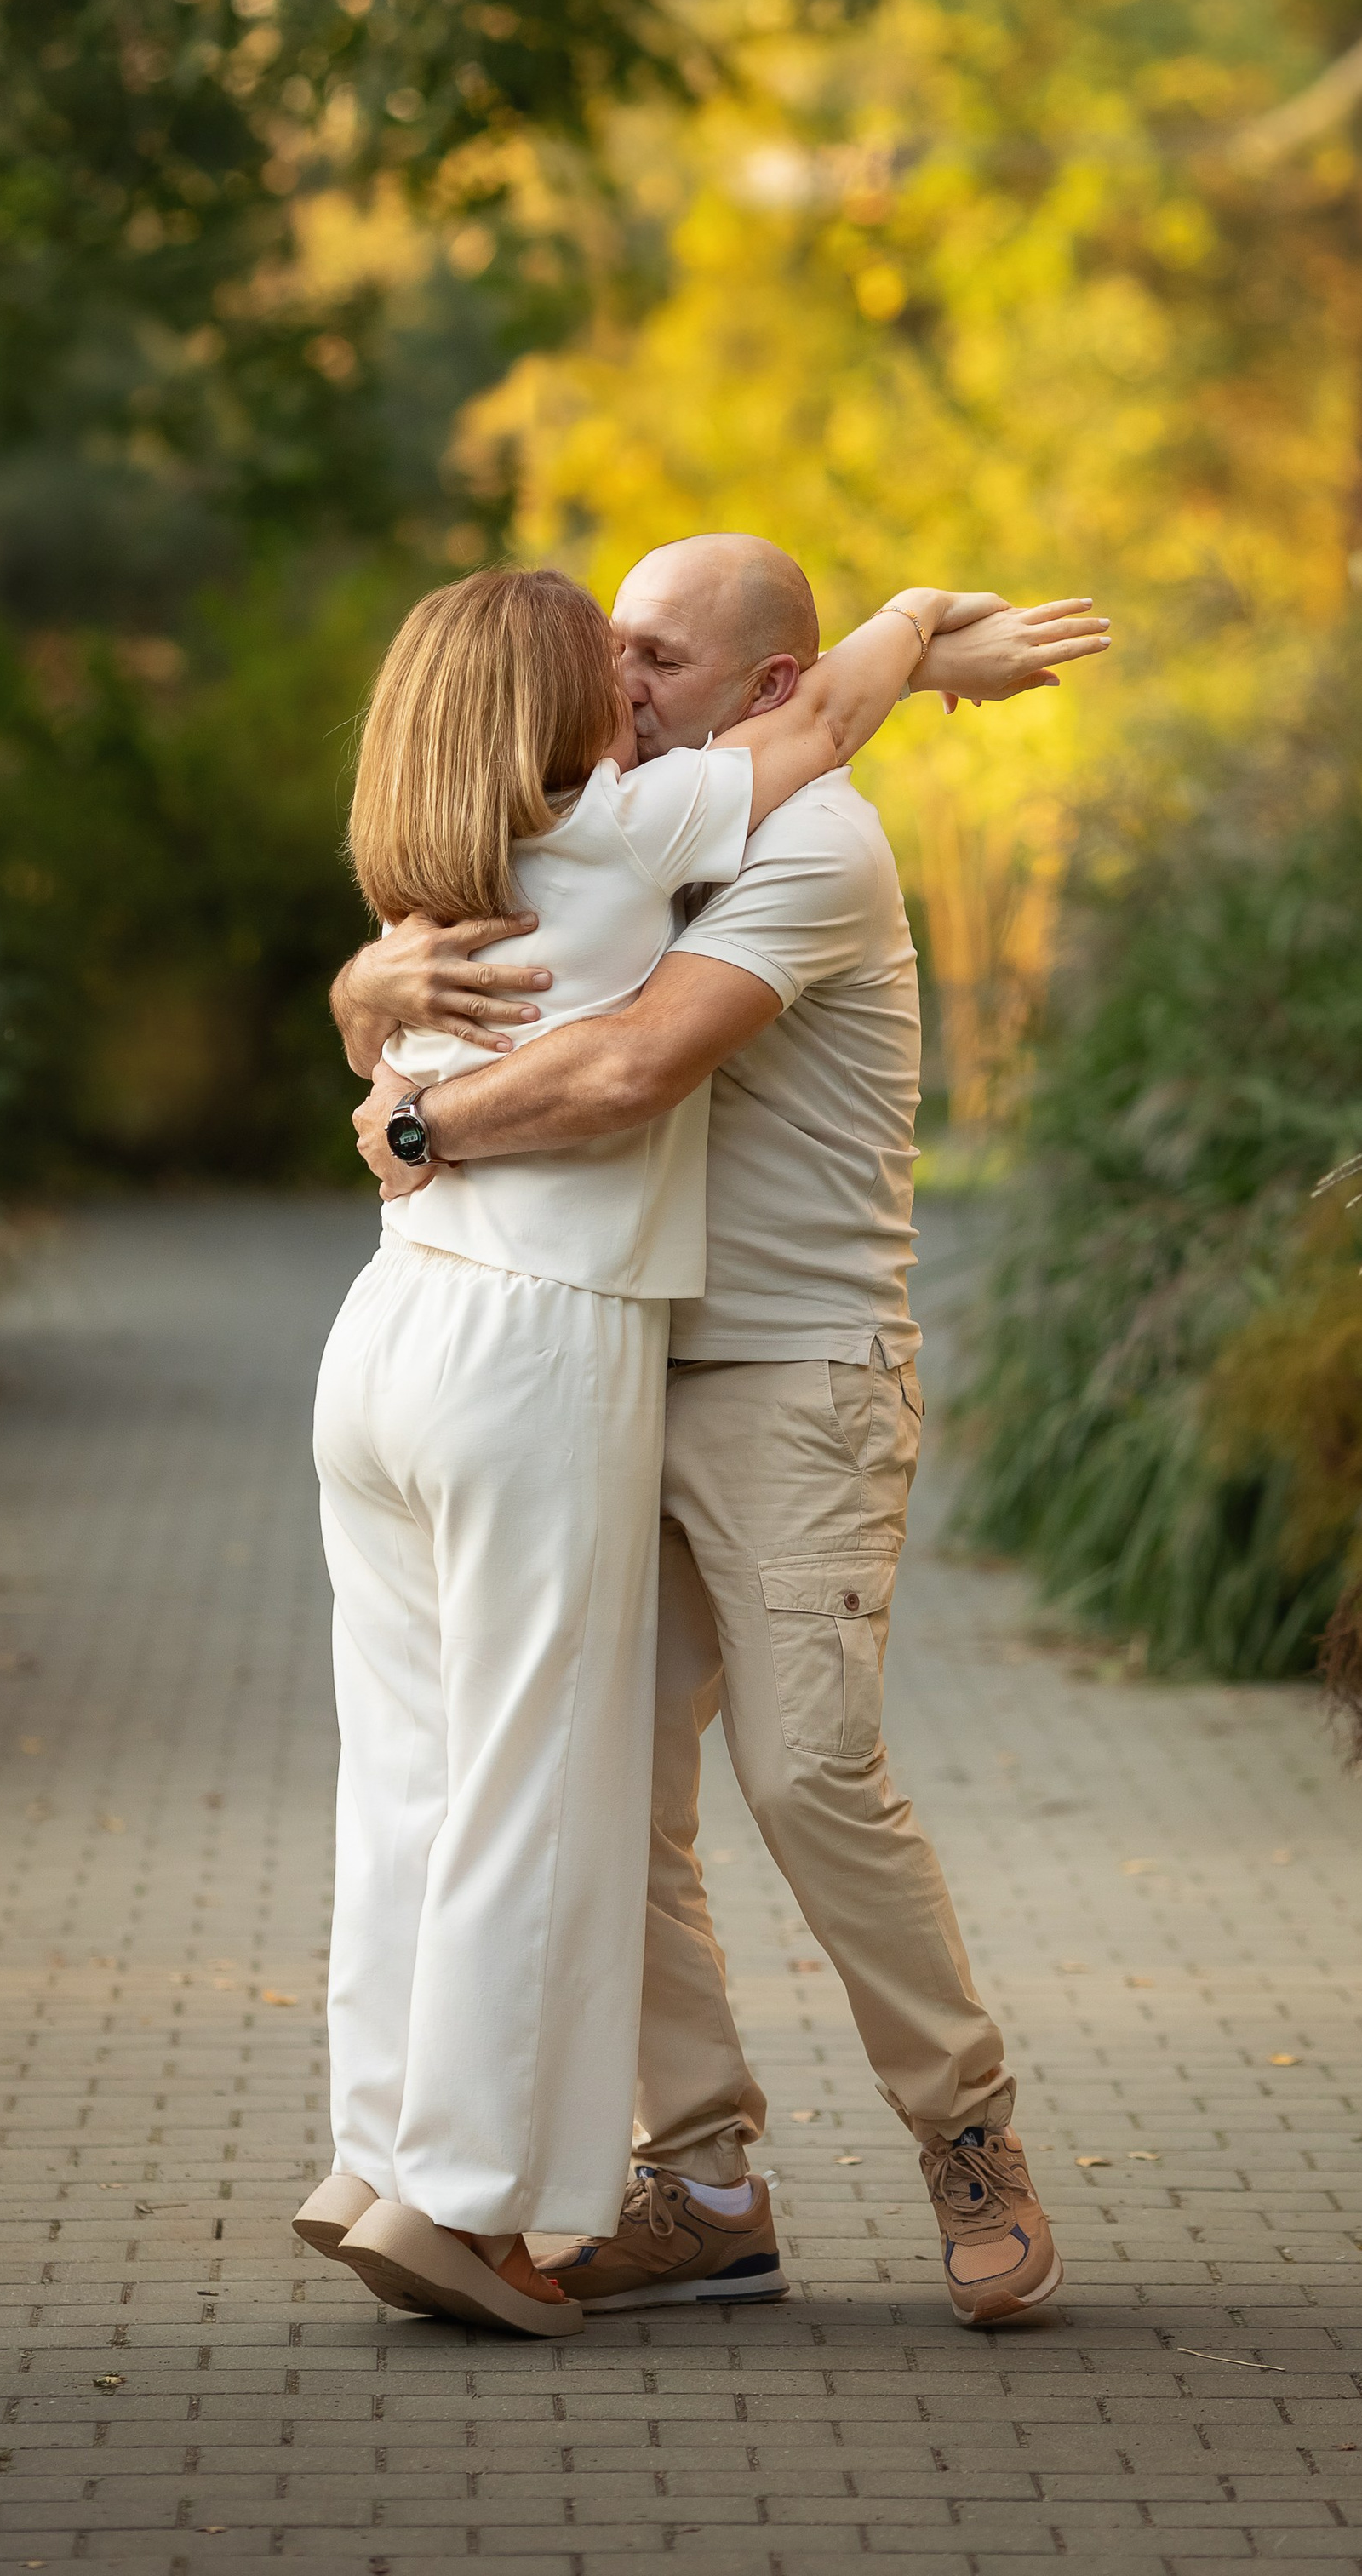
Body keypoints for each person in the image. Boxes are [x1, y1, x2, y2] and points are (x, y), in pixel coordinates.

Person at [305, 558, 1107, 2342]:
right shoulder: (609, 815)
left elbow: (622, 1070)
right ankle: (708, 2183)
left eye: (657, 655)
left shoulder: (811, 842)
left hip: (787, 1373)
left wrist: (409, 1112)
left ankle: (965, 2135)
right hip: (594, 1360)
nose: (622, 676)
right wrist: (376, 992)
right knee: (607, 1795)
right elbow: (438, 950)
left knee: (806, 1771)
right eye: (611, 651)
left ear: (769, 681)